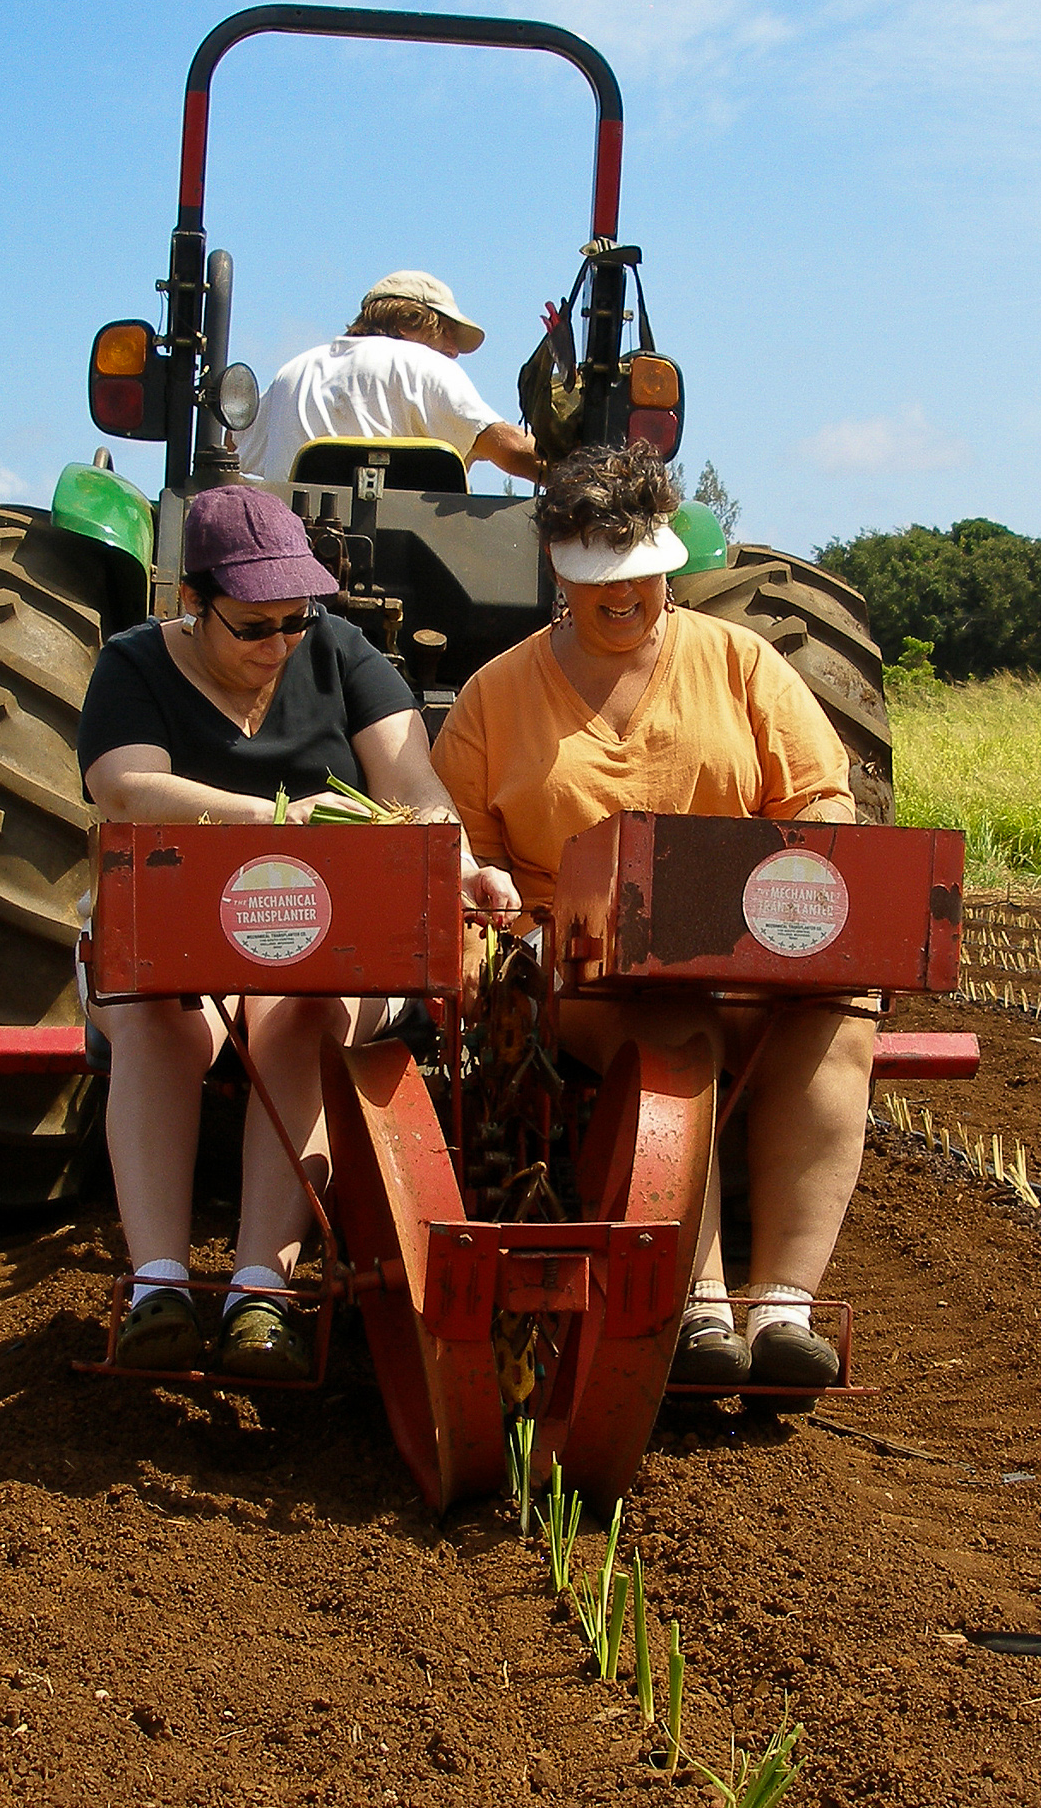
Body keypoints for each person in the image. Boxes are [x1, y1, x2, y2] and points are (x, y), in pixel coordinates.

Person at [430, 445, 875, 1388]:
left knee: (843, 1008)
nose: (623, 593)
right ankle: (703, 1304)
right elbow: (464, 877)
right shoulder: (493, 700)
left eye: (640, 570)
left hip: (747, 946)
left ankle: (786, 1306)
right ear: (556, 566)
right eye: (598, 576)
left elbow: (821, 810)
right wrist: (505, 927)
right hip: (578, 968)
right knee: (674, 1017)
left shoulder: (742, 663)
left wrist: (769, 903)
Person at [77, 483, 517, 1378]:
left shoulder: (340, 653)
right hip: (176, 927)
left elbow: (416, 789)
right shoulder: (132, 666)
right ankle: (158, 1285)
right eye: (254, 626)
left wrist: (459, 859)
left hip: (323, 933)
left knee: (304, 1012)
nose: (280, 643)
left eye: (295, 619)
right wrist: (279, 818)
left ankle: (258, 1292)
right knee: (158, 1023)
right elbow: (124, 790)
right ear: (193, 603)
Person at [236, 270, 544, 487]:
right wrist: (580, 468)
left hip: (292, 558)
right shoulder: (422, 365)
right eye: (447, 333)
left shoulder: (292, 372)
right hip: (401, 567)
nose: (453, 351)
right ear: (409, 321)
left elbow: (232, 453)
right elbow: (514, 451)